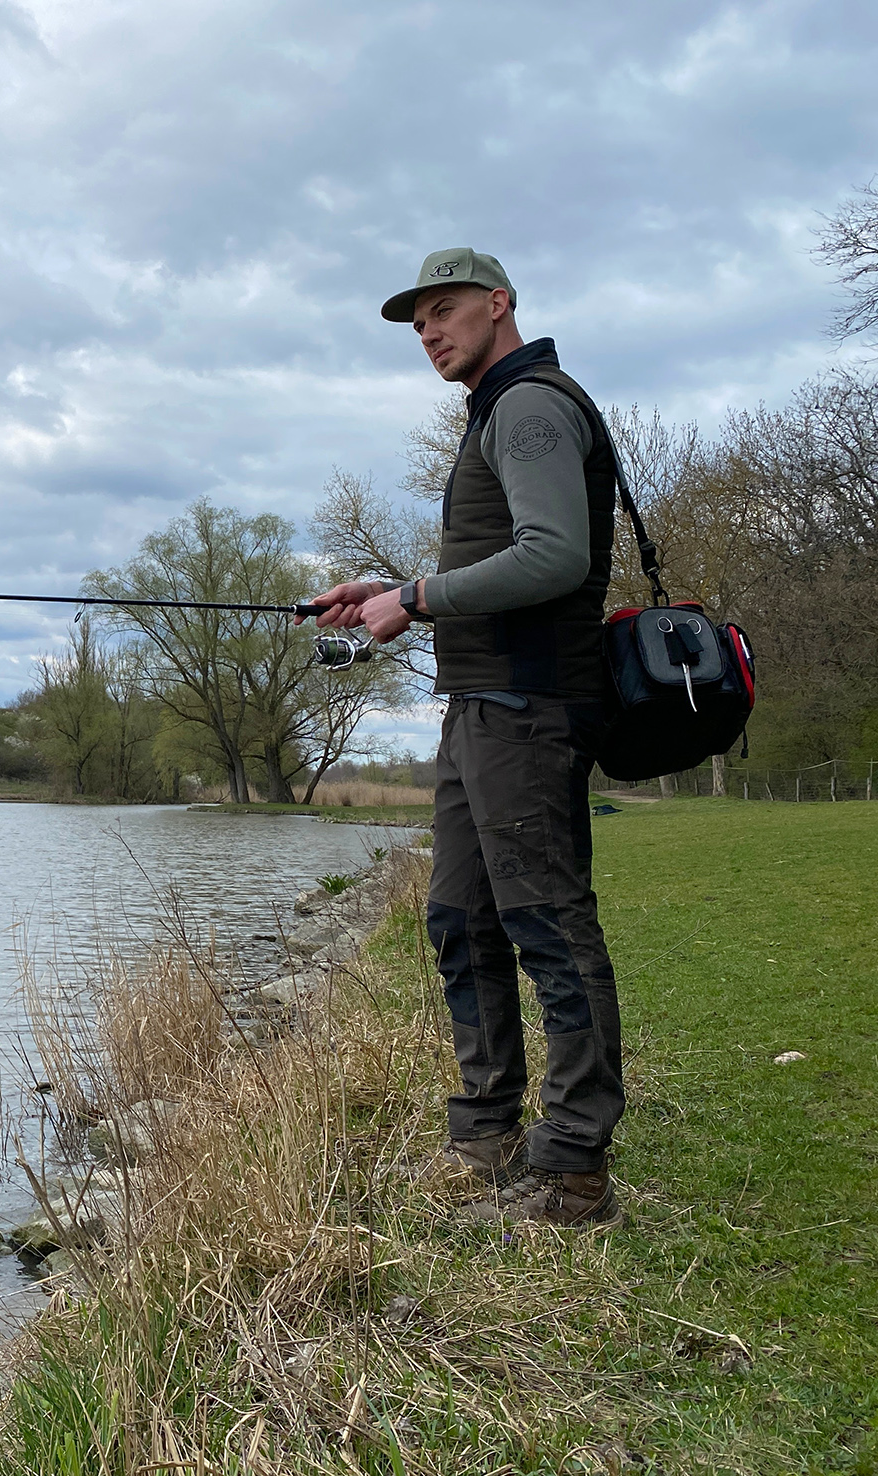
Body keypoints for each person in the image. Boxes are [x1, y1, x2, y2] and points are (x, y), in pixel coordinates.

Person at [305, 247, 623, 1227]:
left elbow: (555, 558)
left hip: (527, 712)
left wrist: (417, 597)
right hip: (479, 712)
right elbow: (504, 555)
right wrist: (385, 588)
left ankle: (572, 1174)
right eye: (417, 325)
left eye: (444, 311)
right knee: (460, 920)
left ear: (500, 303)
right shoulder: (496, 411)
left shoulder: (529, 404)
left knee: (548, 930)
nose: (430, 333)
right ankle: (485, 1138)